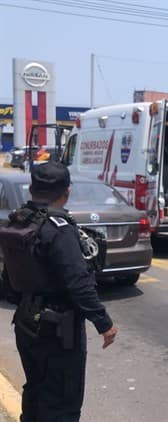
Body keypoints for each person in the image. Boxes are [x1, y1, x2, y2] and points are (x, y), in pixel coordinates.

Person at [0, 162, 117, 421]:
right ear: (67, 192)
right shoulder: (58, 228)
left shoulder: (20, 219)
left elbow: (9, 278)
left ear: (31, 189)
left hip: (26, 321)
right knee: (63, 401)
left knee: (36, 389)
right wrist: (103, 322)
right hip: (57, 330)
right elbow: (78, 282)